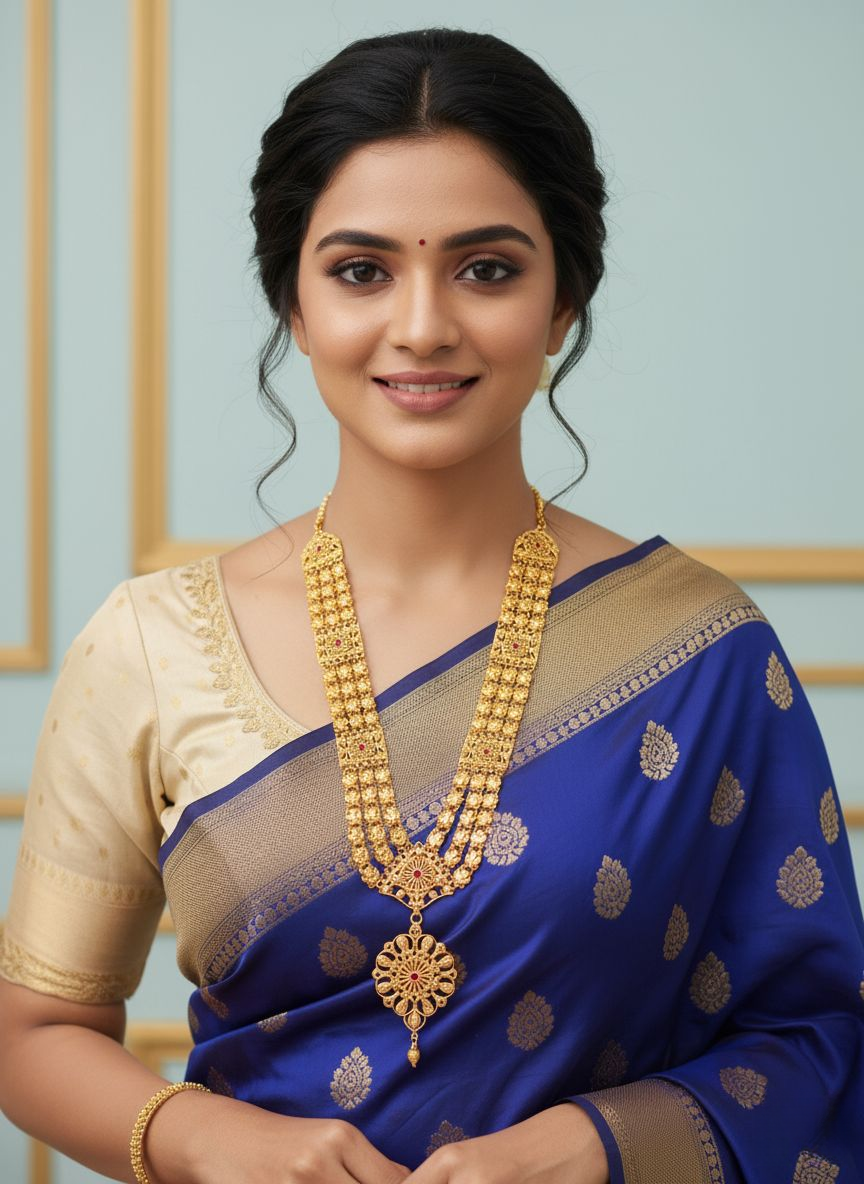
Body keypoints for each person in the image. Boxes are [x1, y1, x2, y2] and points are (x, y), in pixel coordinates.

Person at [0, 25, 862, 1184]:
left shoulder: (701, 650)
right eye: (361, 271)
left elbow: (819, 1037)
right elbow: (34, 1033)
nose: (422, 326)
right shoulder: (152, 645)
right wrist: (217, 1139)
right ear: (294, 306)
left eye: (488, 268)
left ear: (564, 305)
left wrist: (597, 1146)